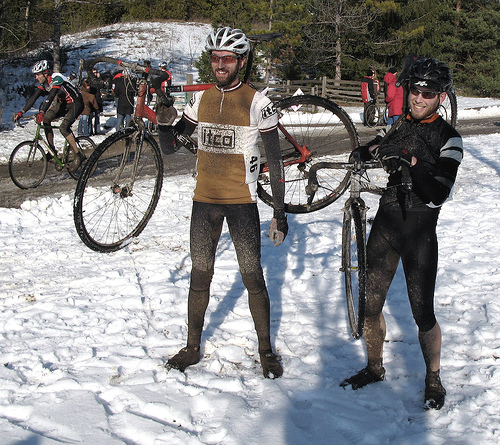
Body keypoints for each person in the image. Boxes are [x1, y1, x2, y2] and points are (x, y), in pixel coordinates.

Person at [159, 27, 288, 378]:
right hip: (204, 201)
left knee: (252, 277)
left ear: (241, 62)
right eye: (215, 58)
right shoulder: (199, 100)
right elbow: (171, 147)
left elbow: (276, 162)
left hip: (241, 202)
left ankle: (265, 350)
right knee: (200, 275)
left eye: (227, 59)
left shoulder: (257, 103)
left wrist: (279, 211)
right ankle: (192, 347)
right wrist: (163, 119)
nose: (220, 65)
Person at [340, 58, 463, 411]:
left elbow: (437, 194)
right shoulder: (400, 125)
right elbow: (371, 148)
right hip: (386, 225)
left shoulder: (449, 138)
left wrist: (411, 162)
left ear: (441, 97)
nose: (419, 98)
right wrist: (369, 150)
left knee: (422, 314)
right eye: (414, 90)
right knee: (370, 305)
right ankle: (374, 367)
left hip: (419, 233)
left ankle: (433, 378)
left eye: (428, 93)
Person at [13, 60, 85, 170]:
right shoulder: (44, 82)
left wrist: (42, 111)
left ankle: (78, 154)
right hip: (64, 103)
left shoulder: (57, 78)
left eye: (38, 74)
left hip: (76, 103)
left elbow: (51, 96)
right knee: (46, 119)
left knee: (63, 128)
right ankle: (52, 151)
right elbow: (34, 97)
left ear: (45, 73)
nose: (36, 77)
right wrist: (21, 112)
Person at [89, 68, 104, 135]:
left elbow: (102, 85)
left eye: (96, 72)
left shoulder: (97, 80)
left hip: (97, 99)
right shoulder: (90, 80)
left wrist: (99, 78)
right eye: (94, 73)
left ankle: (97, 130)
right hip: (91, 100)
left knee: (97, 116)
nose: (95, 74)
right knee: (90, 116)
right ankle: (90, 130)